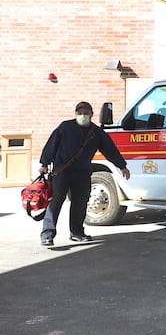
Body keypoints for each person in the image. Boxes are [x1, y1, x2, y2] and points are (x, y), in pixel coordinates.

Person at [38, 101, 130, 246]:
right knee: (56, 201)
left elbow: (109, 149)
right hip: (62, 171)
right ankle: (47, 234)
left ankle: (77, 233)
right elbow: (52, 144)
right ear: (75, 114)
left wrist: (122, 166)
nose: (82, 115)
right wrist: (44, 164)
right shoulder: (65, 127)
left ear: (91, 114)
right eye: (79, 113)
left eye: (86, 113)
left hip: (83, 172)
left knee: (80, 203)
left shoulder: (96, 132)